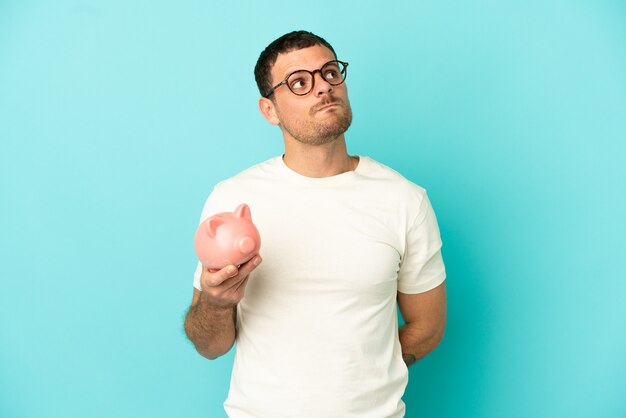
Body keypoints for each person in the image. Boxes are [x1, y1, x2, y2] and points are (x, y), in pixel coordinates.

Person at [184, 30, 447, 418]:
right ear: (269, 110)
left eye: (329, 73)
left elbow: (428, 325)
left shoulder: (404, 199)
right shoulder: (233, 198)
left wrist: (374, 372)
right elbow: (209, 345)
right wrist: (215, 302)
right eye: (300, 83)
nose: (323, 87)